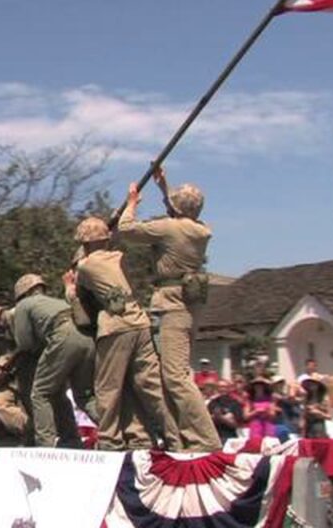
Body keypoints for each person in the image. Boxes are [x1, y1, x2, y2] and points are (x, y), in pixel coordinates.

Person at [116, 168, 221, 453]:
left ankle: (205, 440)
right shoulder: (198, 230)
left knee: (174, 376)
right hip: (189, 304)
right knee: (177, 373)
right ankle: (187, 436)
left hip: (171, 304)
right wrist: (165, 189)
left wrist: (131, 203)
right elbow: (180, 218)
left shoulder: (169, 228)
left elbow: (126, 231)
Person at [65, 216, 175, 451]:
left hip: (114, 327)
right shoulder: (120, 258)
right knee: (151, 386)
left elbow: (81, 302)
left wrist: (68, 288)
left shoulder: (84, 266)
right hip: (140, 322)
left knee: (107, 389)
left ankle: (110, 441)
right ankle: (175, 435)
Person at [0, 274, 97, 448]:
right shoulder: (54, 302)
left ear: (22, 295)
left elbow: (25, 343)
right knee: (84, 397)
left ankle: (45, 446)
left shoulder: (24, 305)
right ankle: (113, 434)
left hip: (63, 337)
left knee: (40, 393)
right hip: (87, 339)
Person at [208, 379, 245, 445]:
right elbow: (207, 421)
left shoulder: (235, 403)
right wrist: (216, 417)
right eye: (220, 387)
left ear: (229, 388)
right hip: (215, 438)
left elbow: (236, 425)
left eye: (224, 387)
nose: (222, 389)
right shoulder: (212, 403)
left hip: (230, 439)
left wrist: (221, 418)